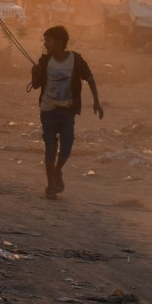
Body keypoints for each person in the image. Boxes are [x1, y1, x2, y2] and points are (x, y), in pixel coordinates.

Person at [28, 25, 104, 200]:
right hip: (47, 110)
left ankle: (57, 171)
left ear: (60, 42)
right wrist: (34, 74)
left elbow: (90, 78)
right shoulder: (44, 61)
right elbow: (36, 85)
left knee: (67, 146)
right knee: (50, 147)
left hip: (68, 110)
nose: (45, 44)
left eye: (48, 40)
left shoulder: (75, 60)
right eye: (45, 40)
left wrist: (97, 102)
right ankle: (50, 186)